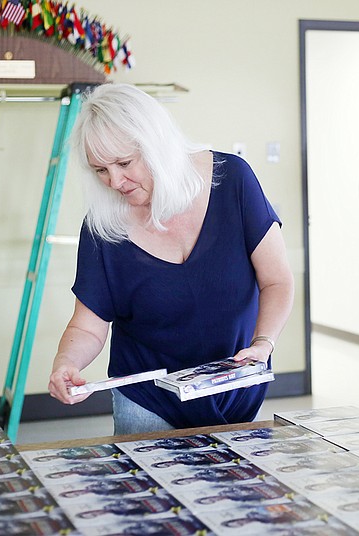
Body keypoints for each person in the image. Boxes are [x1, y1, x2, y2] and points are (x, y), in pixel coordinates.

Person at [48, 83, 294, 435]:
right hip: (149, 400)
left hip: (232, 388)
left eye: (123, 163)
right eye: (100, 170)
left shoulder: (233, 181)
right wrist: (65, 363)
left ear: (156, 145)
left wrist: (263, 343)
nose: (114, 181)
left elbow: (277, 280)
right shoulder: (102, 227)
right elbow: (87, 325)